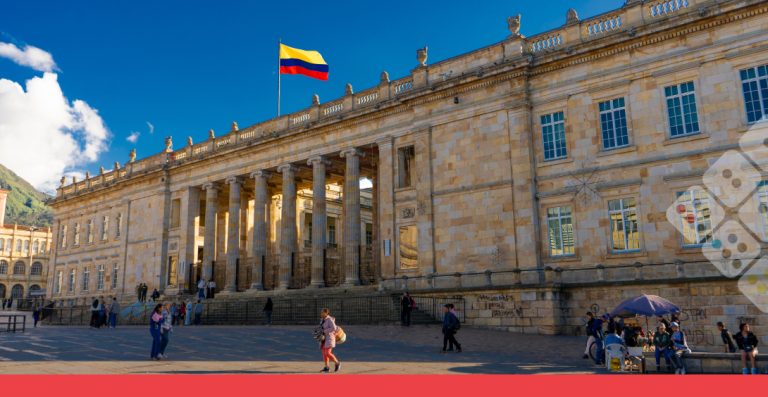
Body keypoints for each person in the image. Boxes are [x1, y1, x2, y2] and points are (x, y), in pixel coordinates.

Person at [317, 308, 341, 373]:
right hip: (324, 338)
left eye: (322, 312)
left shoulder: (330, 319)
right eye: (321, 312)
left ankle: (337, 363)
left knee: (327, 353)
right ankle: (326, 367)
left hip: (330, 338)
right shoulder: (322, 320)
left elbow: (334, 328)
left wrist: (325, 331)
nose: (321, 313)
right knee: (324, 354)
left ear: (326, 313)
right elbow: (321, 327)